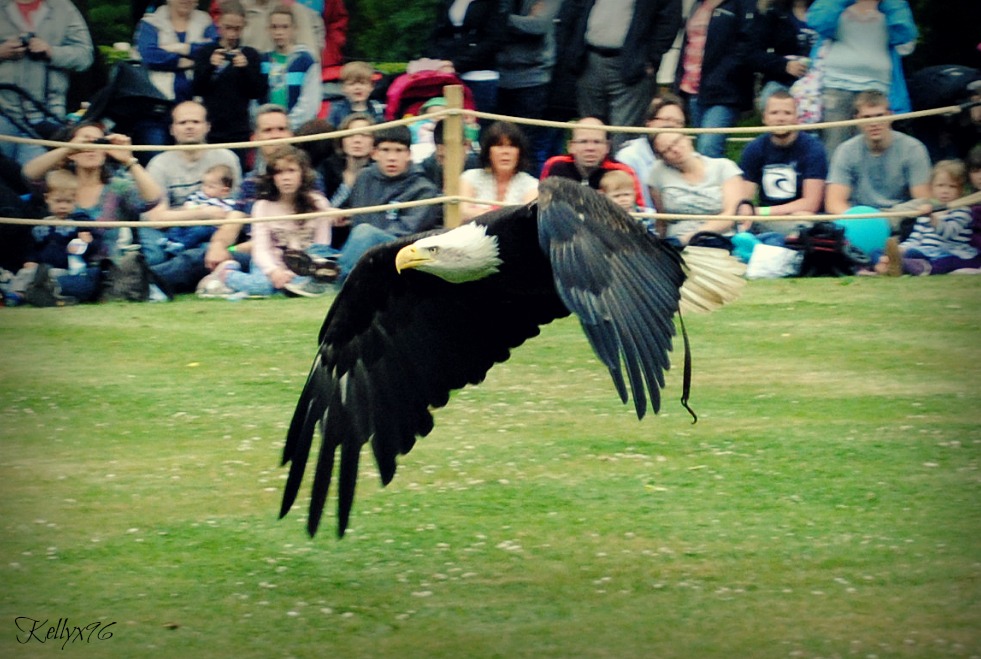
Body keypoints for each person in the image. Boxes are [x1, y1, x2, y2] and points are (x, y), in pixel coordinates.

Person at [150, 103, 297, 294]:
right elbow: (233, 220)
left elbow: (294, 235)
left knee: (201, 257)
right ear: (255, 138)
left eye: (281, 129)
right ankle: (146, 281)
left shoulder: (306, 177)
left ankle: (144, 280)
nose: (276, 135)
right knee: (206, 254)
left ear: (292, 134)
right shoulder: (251, 181)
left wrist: (233, 250)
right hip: (253, 253)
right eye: (268, 130)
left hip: (283, 256)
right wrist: (218, 246)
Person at [199, 145, 336, 298]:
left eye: (291, 171)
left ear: (302, 174)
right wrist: (274, 272)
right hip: (269, 262)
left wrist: (295, 272)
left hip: (304, 267)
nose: (285, 178)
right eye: (279, 172)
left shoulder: (319, 203)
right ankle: (226, 274)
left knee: (305, 282)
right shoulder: (262, 206)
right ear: (272, 177)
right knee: (264, 286)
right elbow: (261, 249)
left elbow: (322, 246)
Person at [21, 122, 166, 265]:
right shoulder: (58, 183)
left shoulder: (118, 187)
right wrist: (67, 149)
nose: (91, 148)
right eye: (85, 142)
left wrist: (128, 160)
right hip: (62, 269)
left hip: (109, 272)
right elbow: (29, 175)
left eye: (98, 142)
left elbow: (152, 199)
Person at [554, 0, 683, 152]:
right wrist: (571, 52)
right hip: (588, 61)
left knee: (624, 139)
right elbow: (571, 12)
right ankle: (593, 176)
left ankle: (620, 175)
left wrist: (650, 59)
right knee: (591, 132)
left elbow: (669, 20)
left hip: (631, 67)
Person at [824, 90, 931, 258]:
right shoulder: (845, 150)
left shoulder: (913, 148)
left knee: (923, 208)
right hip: (860, 219)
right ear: (857, 120)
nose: (874, 123)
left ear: (890, 116)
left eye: (879, 115)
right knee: (808, 221)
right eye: (867, 118)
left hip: (898, 218)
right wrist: (865, 222)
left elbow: (923, 200)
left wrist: (883, 221)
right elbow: (834, 202)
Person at [805, 0, 918, 156]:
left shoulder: (893, 10)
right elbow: (816, 20)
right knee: (834, 146)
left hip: (877, 88)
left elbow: (905, 34)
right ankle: (834, 180)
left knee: (873, 146)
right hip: (836, 85)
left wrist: (889, 4)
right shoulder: (834, 7)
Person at [334, 124, 441, 281]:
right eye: (385, 150)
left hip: (402, 254)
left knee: (365, 232)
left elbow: (406, 234)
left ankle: (334, 277)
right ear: (375, 153)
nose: (392, 157)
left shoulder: (424, 189)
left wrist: (368, 237)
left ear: (409, 154)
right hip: (362, 250)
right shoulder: (364, 177)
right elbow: (358, 220)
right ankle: (314, 274)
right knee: (317, 249)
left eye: (398, 151)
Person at [0, 0, 94, 165]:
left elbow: (85, 57)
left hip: (47, 115)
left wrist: (51, 52)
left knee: (39, 182)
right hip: (2, 112)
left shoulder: (64, 7)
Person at [675, 0, 760, 159]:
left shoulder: (742, 5)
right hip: (693, 88)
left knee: (708, 148)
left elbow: (746, 46)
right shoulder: (697, 5)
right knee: (701, 151)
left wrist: (723, 74)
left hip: (725, 92)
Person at [870, 160, 981, 276]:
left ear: (960, 190)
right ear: (932, 187)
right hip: (922, 250)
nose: (945, 191)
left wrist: (932, 218)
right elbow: (915, 238)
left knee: (943, 262)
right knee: (876, 251)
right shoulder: (928, 210)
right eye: (940, 185)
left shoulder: (962, 212)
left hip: (948, 252)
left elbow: (948, 232)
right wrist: (901, 248)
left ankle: (903, 265)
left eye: (952, 186)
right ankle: (884, 264)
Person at [192, 0, 268, 170]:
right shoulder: (205, 52)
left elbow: (258, 91)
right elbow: (197, 89)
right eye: (228, 27)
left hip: (239, 129)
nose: (232, 34)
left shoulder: (251, 54)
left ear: (244, 26)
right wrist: (211, 67)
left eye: (237, 28)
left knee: (237, 173)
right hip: (211, 129)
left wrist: (245, 69)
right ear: (218, 23)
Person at [6, 168, 99, 305]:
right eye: (58, 201)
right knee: (25, 274)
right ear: (47, 198)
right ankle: (16, 294)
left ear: (75, 200)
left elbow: (91, 243)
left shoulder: (79, 221)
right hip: (40, 267)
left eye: (68, 202)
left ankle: (46, 294)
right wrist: (30, 260)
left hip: (63, 269)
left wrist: (87, 242)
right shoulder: (41, 224)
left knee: (61, 279)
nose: (63, 206)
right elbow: (32, 246)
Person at [739, 91, 828, 232]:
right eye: (774, 113)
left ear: (797, 118)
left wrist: (762, 212)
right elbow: (744, 199)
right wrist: (747, 213)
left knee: (804, 218)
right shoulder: (754, 148)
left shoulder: (813, 148)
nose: (780, 119)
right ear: (764, 118)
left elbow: (811, 203)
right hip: (764, 220)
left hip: (798, 218)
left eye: (787, 113)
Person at [495, 0, 562, 175]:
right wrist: (517, 22)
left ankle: (530, 196)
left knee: (526, 145)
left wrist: (501, 20)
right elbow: (487, 27)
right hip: (500, 78)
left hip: (533, 79)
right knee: (499, 141)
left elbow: (537, 26)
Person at [647, 130, 745, 245]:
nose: (675, 150)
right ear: (661, 157)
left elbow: (731, 215)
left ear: (687, 138)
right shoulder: (657, 172)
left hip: (719, 239)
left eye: (676, 142)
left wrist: (690, 237)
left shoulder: (724, 167)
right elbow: (662, 219)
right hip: (675, 243)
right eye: (667, 150)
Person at [422, 0, 509, 116]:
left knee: (477, 122)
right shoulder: (448, 3)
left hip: (480, 75)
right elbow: (436, 35)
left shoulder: (493, 4)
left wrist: (456, 64)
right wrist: (440, 61)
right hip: (448, 75)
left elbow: (494, 40)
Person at [541, 117, 645, 208]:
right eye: (583, 141)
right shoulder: (555, 165)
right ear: (571, 146)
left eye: (597, 142)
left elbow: (640, 212)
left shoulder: (622, 171)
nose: (590, 148)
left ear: (607, 147)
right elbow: (541, 203)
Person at [135, 0, 218, 104]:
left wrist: (181, 48)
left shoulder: (206, 21)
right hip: (159, 97)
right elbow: (149, 56)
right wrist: (192, 62)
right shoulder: (151, 22)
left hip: (198, 96)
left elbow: (214, 49)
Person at [615, 93, 687, 210]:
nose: (672, 126)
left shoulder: (686, 157)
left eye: (678, 122)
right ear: (649, 123)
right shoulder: (629, 156)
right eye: (667, 119)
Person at [459, 121, 539, 222]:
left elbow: (527, 219)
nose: (505, 152)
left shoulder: (532, 185)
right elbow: (461, 212)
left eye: (512, 146)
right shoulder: (470, 177)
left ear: (520, 152)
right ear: (488, 151)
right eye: (499, 145)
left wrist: (481, 212)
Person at [260, 3, 322, 131]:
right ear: (268, 29)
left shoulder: (306, 61)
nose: (279, 32)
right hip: (267, 131)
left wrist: (287, 126)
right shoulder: (262, 61)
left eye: (284, 27)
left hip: (297, 131)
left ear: (294, 29)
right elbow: (255, 100)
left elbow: (310, 102)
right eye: (274, 27)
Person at [209, 0, 325, 66]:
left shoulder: (294, 10)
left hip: (284, 79)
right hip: (246, 79)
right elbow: (220, 43)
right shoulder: (237, 8)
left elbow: (311, 56)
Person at [753, 0, 817, 110]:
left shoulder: (826, 12)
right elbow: (753, 53)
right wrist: (784, 65)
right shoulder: (773, 13)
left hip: (820, 81)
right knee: (773, 102)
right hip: (782, 81)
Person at [164, 163, 237, 254]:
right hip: (192, 220)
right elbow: (189, 203)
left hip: (209, 227)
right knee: (177, 226)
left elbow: (225, 217)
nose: (205, 189)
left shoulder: (227, 203)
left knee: (198, 231)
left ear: (224, 191)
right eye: (204, 185)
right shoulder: (199, 195)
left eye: (211, 187)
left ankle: (182, 245)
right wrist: (189, 207)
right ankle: (169, 241)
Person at [326, 60, 385, 128]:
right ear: (343, 88)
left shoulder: (378, 108)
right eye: (351, 84)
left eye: (363, 83)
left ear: (371, 86)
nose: (357, 88)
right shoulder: (337, 109)